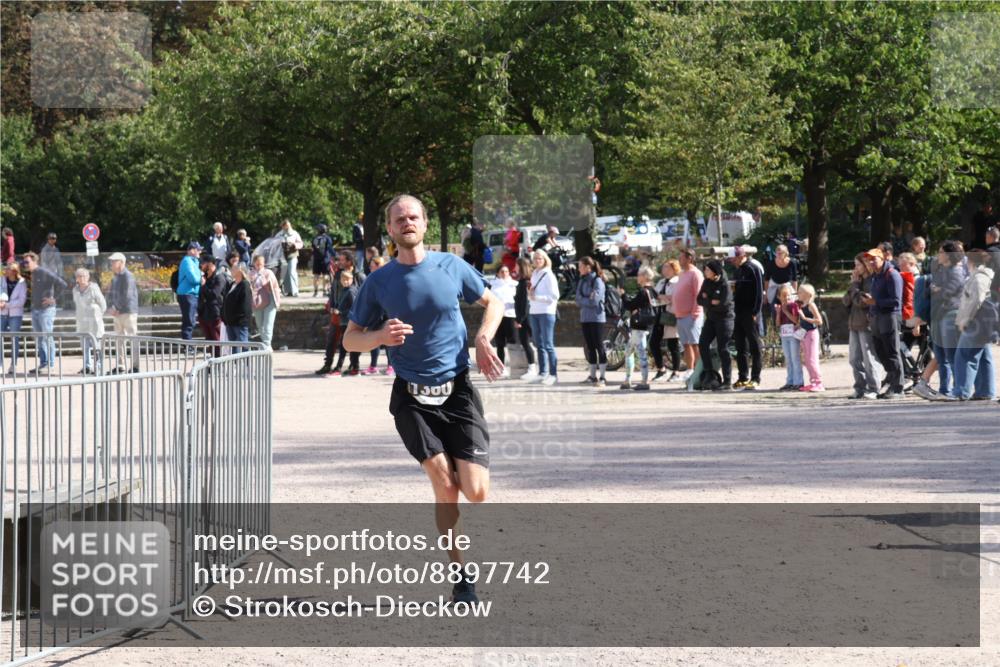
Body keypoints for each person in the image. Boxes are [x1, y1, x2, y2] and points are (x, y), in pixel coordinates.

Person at [343, 194, 503, 606]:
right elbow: (350, 338)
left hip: (458, 391)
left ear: (425, 224)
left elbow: (495, 302)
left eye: (413, 217)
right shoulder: (379, 281)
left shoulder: (452, 267)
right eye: (399, 219)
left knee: (477, 492)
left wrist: (482, 336)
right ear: (391, 229)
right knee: (444, 484)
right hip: (411, 397)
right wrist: (378, 337)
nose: (407, 223)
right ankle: (461, 577)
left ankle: (463, 477)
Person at [952, 249, 996, 401]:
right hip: (983, 323)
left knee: (964, 356)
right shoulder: (982, 276)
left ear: (970, 262)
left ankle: (961, 391)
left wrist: (965, 320)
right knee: (984, 357)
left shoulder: (979, 278)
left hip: (976, 323)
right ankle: (986, 391)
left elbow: (975, 301)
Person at [862, 248, 904, 399]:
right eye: (869, 260)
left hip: (890, 317)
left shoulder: (892, 275)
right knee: (881, 351)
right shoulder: (876, 276)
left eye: (874, 259)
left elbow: (896, 301)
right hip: (877, 317)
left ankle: (898, 388)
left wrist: (875, 302)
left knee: (892, 352)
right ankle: (892, 381)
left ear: (882, 258)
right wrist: (871, 307)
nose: (871, 262)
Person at [929, 241, 966, 397]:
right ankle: (944, 389)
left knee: (951, 356)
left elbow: (946, 293)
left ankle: (957, 389)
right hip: (938, 315)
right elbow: (932, 288)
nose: (939, 254)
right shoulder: (942, 269)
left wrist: (937, 290)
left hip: (949, 314)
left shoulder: (956, 271)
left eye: (941, 252)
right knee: (940, 355)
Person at [844, 255, 883, 399]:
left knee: (869, 358)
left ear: (865, 265)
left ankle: (874, 388)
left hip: (866, 323)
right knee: (854, 359)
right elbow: (846, 300)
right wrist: (853, 286)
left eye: (858, 265)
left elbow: (862, 302)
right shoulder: (857, 281)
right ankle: (860, 387)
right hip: (854, 323)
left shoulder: (871, 281)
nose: (856, 269)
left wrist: (854, 288)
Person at [23, 251, 66, 371]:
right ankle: (43, 364)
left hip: (46, 310)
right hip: (36, 310)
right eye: (24, 262)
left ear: (35, 261)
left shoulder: (43, 272)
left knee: (47, 337)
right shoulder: (33, 274)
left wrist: (53, 298)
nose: (25, 264)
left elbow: (62, 284)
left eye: (27, 262)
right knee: (40, 338)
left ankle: (50, 364)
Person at [696, 259, 734, 391]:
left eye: (707, 270)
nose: (705, 272)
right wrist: (711, 301)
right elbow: (699, 299)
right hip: (711, 318)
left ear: (714, 272)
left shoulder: (724, 285)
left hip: (725, 319)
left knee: (723, 349)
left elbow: (724, 304)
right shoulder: (706, 282)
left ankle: (727, 380)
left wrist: (708, 300)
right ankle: (709, 374)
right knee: (703, 343)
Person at [730, 245, 764, 390]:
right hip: (738, 312)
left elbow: (758, 292)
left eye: (733, 258)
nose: (732, 261)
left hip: (750, 312)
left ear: (740, 256)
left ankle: (756, 377)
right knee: (740, 346)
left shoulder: (752, 268)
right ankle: (743, 376)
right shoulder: (738, 270)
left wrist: (755, 312)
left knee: (754, 346)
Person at [619, 265, 657, 391]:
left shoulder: (642, 292)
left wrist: (623, 296)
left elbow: (630, 305)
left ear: (644, 277)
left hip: (639, 326)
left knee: (640, 353)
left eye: (640, 274)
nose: (637, 276)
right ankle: (628, 380)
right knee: (629, 350)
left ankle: (644, 381)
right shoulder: (652, 290)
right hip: (647, 325)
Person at [527, 248, 560, 385]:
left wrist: (537, 297)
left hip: (546, 312)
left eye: (540, 258)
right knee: (538, 344)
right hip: (534, 312)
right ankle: (542, 372)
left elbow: (555, 296)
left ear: (545, 259)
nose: (537, 260)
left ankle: (553, 374)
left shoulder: (548, 275)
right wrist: (531, 296)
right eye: (535, 258)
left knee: (548, 344)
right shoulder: (534, 273)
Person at [574, 256, 607, 387]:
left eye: (580, 266)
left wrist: (584, 300)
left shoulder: (597, 281)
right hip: (585, 318)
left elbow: (595, 301)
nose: (578, 269)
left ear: (588, 267)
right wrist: (586, 299)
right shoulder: (582, 281)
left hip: (597, 318)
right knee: (590, 347)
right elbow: (577, 299)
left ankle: (603, 377)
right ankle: (592, 376)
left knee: (599, 346)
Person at [674, 248, 704, 383]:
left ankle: (699, 370)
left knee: (695, 343)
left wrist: (695, 313)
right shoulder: (682, 274)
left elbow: (698, 294)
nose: (679, 260)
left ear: (689, 258)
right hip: (680, 315)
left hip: (691, 316)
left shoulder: (696, 274)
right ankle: (690, 369)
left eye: (681, 257)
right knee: (686, 344)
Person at [107, 252, 139, 373]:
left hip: (128, 311)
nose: (111, 263)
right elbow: (111, 294)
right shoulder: (115, 276)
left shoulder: (128, 276)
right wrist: (111, 307)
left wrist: (116, 307)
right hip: (118, 312)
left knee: (132, 338)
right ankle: (121, 366)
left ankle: (135, 366)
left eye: (114, 261)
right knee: (119, 339)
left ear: (121, 262)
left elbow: (128, 295)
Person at [361, 255, 393, 375]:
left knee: (389, 340)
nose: (370, 268)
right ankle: (373, 366)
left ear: (379, 266)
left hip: (386, 313)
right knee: (374, 339)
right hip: (374, 313)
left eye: (372, 266)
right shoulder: (370, 279)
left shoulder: (388, 279)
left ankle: (391, 366)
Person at [326, 270, 362, 376]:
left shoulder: (351, 291)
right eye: (343, 279)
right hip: (344, 321)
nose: (345, 281)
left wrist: (340, 311)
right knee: (348, 345)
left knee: (344, 345)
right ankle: (354, 367)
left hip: (348, 322)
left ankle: (340, 368)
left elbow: (354, 308)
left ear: (351, 280)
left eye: (347, 279)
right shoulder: (346, 290)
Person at [651, 260, 682, 382]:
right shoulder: (661, 281)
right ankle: (661, 369)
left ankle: (676, 372)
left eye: (666, 267)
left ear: (674, 269)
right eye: (663, 267)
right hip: (659, 313)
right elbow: (655, 296)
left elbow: (675, 298)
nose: (664, 269)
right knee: (653, 342)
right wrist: (663, 298)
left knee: (673, 344)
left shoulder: (677, 281)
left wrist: (663, 298)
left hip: (671, 314)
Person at [71, 267, 106, 374]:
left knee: (97, 345)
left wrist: (99, 316)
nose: (81, 278)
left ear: (88, 277)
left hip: (94, 321)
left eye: (84, 276)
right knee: (84, 345)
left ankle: (98, 366)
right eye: (79, 276)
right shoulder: (75, 290)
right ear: (76, 278)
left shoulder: (93, 288)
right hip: (82, 321)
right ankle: (87, 366)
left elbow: (102, 304)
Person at [198, 254, 230, 356]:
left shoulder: (219, 278)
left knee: (217, 340)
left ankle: (219, 362)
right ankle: (212, 363)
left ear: (210, 264)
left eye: (203, 263)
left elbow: (214, 294)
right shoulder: (205, 278)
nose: (201, 265)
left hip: (215, 313)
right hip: (204, 314)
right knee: (209, 341)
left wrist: (203, 286)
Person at [796, 284, 825, 392]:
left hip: (812, 334)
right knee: (807, 360)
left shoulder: (811, 305)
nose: (798, 293)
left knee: (812, 359)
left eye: (800, 292)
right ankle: (812, 382)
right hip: (804, 334)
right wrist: (799, 324)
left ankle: (819, 383)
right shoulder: (801, 305)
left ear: (808, 295)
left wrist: (804, 318)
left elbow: (819, 321)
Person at [490, 264, 517, 380]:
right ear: (498, 273)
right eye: (502, 271)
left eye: (506, 271)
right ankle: (501, 367)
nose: (505, 273)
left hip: (511, 316)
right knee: (500, 343)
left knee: (513, 341)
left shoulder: (514, 284)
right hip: (498, 316)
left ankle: (515, 367)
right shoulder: (493, 285)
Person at [775, 284, 804, 391]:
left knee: (795, 357)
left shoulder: (793, 306)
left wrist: (786, 311)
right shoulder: (780, 307)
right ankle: (790, 381)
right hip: (784, 335)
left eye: (788, 295)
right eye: (783, 296)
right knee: (788, 358)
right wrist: (778, 313)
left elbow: (796, 320)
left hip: (793, 334)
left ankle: (799, 381)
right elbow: (778, 324)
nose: (786, 298)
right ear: (779, 297)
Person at [513, 256, 538, 380]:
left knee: (526, 342)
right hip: (525, 317)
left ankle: (532, 368)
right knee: (528, 343)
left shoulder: (524, 283)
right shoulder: (524, 282)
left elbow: (524, 304)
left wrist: (519, 320)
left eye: (517, 265)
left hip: (525, 318)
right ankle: (532, 367)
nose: (515, 267)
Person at [1, 261, 28, 375]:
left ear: (14, 271)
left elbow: (21, 301)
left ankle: (13, 365)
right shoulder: (2, 279)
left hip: (15, 315)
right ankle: (0, 365)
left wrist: (6, 304)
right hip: (1, 314)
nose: (5, 270)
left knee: (14, 340)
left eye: (8, 269)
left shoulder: (22, 283)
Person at [250, 253, 281, 349]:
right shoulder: (250, 274)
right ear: (254, 263)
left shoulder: (269, 273)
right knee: (260, 325)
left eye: (261, 263)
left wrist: (268, 285)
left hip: (270, 300)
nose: (259, 266)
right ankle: (265, 344)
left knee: (268, 324)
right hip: (257, 301)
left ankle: (267, 345)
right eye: (257, 263)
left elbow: (276, 287)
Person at [223, 262, 253, 353]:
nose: (231, 270)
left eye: (233, 268)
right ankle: (235, 365)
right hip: (230, 322)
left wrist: (241, 320)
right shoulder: (232, 284)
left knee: (243, 346)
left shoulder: (244, 285)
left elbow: (246, 306)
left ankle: (247, 366)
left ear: (240, 271)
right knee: (233, 347)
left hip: (239, 322)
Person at [763, 244, 799, 319]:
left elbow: (794, 279)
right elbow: (766, 280)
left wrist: (795, 294)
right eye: (777, 252)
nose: (778, 254)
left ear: (786, 253)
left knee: (790, 305)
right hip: (774, 286)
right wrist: (766, 295)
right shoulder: (771, 263)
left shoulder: (792, 262)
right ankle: (775, 326)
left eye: (781, 253)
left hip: (787, 286)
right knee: (774, 307)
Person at [177, 242, 202, 340]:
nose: (200, 251)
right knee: (189, 321)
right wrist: (201, 279)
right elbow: (193, 279)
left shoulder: (193, 261)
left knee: (190, 321)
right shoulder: (187, 261)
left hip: (191, 294)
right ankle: (188, 346)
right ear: (192, 250)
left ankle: (188, 345)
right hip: (187, 294)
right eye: (198, 249)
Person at [277, 219, 304, 297]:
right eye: (285, 226)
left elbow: (301, 243)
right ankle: (288, 291)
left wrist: (295, 245)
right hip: (283, 256)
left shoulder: (294, 233)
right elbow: (274, 243)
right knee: (285, 274)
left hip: (292, 255)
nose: (287, 227)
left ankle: (295, 291)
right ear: (282, 226)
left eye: (288, 226)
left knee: (292, 272)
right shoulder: (279, 234)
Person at [311, 224, 335, 297]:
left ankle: (315, 291)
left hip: (316, 259)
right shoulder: (327, 238)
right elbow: (330, 248)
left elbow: (313, 249)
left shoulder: (314, 238)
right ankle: (324, 291)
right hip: (325, 259)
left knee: (316, 275)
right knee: (326, 275)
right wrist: (335, 255)